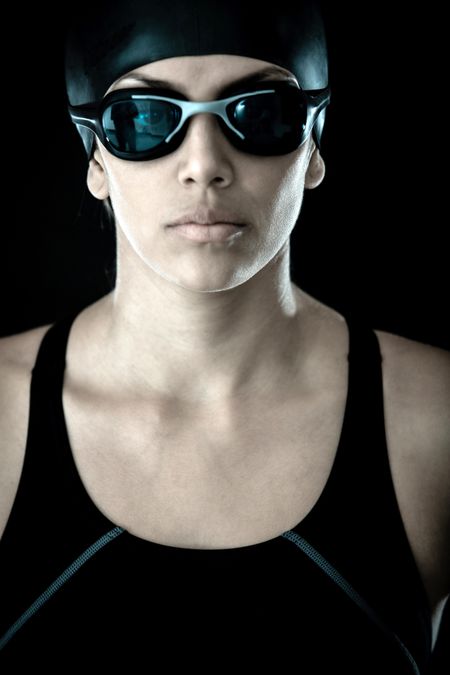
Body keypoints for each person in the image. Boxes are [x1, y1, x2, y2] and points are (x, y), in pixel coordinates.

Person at [0, 0, 448, 671]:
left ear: (314, 143)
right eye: (145, 119)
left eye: (259, 113)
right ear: (95, 157)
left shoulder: (434, 419)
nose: (204, 164)